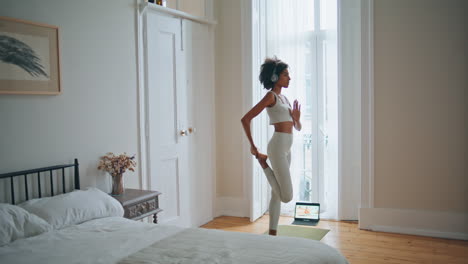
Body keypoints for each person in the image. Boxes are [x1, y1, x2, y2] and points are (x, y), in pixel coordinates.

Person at [241, 57, 302, 236]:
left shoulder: (285, 98)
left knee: (276, 194)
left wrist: (297, 119)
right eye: (285, 75)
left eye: (288, 75)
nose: (289, 78)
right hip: (276, 147)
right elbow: (245, 119)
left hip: (287, 148)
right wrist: (253, 146)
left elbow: (296, 128)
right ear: (275, 77)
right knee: (286, 196)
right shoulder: (271, 97)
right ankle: (263, 163)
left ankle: (272, 233)